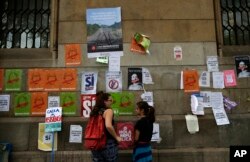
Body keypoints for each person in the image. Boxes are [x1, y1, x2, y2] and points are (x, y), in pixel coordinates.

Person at [90, 91, 122, 162]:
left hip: (94, 143)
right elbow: (108, 126)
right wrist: (116, 137)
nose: (112, 102)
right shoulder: (108, 111)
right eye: (110, 100)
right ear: (105, 101)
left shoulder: (94, 111)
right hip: (107, 143)